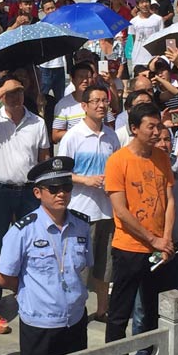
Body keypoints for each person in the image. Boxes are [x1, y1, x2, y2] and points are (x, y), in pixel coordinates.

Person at [0, 157, 90, 355]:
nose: (61, 194)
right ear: (38, 193)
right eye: (54, 189)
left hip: (75, 320)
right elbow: (3, 278)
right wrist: (30, 294)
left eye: (66, 187)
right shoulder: (23, 231)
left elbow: (84, 265)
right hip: (40, 324)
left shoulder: (82, 225)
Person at [103, 103, 174, 355]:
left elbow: (169, 200)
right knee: (121, 309)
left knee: (154, 306)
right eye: (151, 127)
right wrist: (153, 239)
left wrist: (165, 239)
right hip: (130, 248)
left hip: (159, 249)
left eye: (159, 126)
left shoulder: (162, 157)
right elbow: (120, 210)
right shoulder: (118, 161)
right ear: (134, 128)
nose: (157, 132)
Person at [0, 75, 50, 310]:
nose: (14, 97)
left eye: (17, 91)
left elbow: (44, 157)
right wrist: (2, 89)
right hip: (0, 190)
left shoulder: (37, 122)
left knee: (32, 243)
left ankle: (31, 292)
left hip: (29, 190)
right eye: (9, 93)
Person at [57, 84, 120, 320]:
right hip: (81, 211)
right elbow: (62, 173)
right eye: (96, 101)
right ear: (84, 106)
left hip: (107, 211)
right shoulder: (73, 136)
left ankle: (103, 309)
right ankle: (76, 311)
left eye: (105, 100)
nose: (102, 105)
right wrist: (85, 180)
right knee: (80, 267)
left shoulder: (111, 136)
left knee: (106, 266)